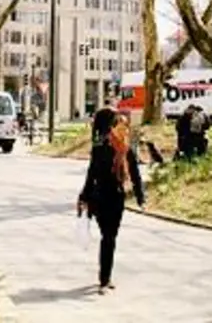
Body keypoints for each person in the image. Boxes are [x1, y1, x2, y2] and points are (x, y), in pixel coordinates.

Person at [78, 107, 145, 293]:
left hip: (108, 197)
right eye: (116, 122)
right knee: (108, 237)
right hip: (106, 198)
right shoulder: (109, 148)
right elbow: (92, 175)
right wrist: (84, 196)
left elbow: (134, 174)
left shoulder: (116, 148)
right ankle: (104, 278)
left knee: (108, 237)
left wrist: (141, 197)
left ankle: (105, 277)